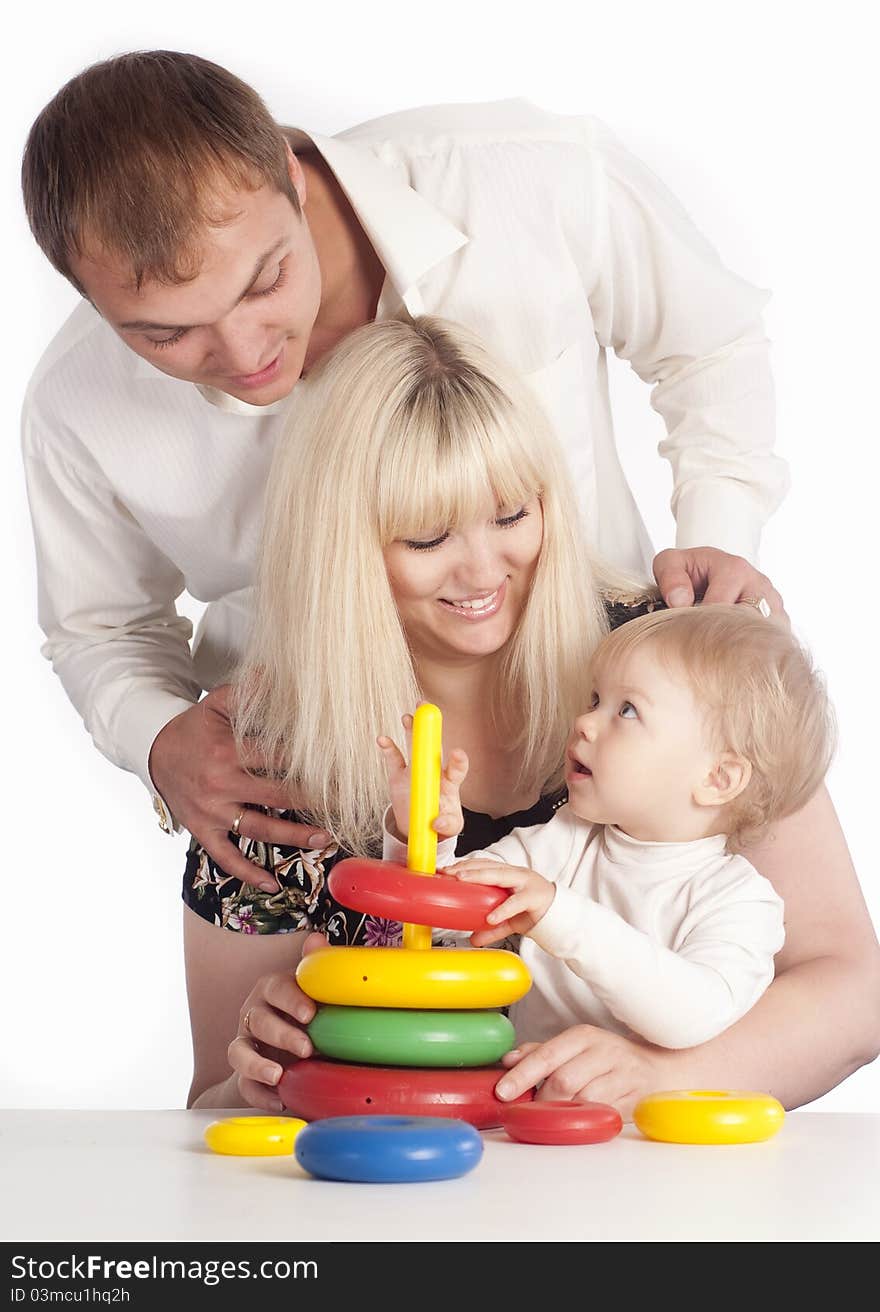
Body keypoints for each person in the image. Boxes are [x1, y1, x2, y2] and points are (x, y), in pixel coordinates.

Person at [21, 50, 788, 896]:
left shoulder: (530, 179)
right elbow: (102, 629)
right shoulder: (75, 407)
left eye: (265, 279)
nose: (244, 353)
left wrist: (718, 540)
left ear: (292, 171)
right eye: (166, 336)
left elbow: (708, 343)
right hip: (324, 804)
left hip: (625, 740)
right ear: (87, 300)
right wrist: (161, 739)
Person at [179, 316, 879, 1119]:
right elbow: (212, 1103)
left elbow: (852, 994)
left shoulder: (665, 664)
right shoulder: (264, 758)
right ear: (346, 547)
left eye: (512, 515)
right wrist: (273, 1072)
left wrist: (654, 1079)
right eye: (428, 536)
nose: (484, 570)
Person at [380, 603, 835, 1053]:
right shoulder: (564, 838)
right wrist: (423, 834)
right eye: (596, 700)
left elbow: (691, 1017)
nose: (584, 722)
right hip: (525, 1111)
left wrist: (558, 913)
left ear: (718, 779)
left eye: (628, 711)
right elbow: (440, 918)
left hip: (645, 1123)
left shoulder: (737, 899)